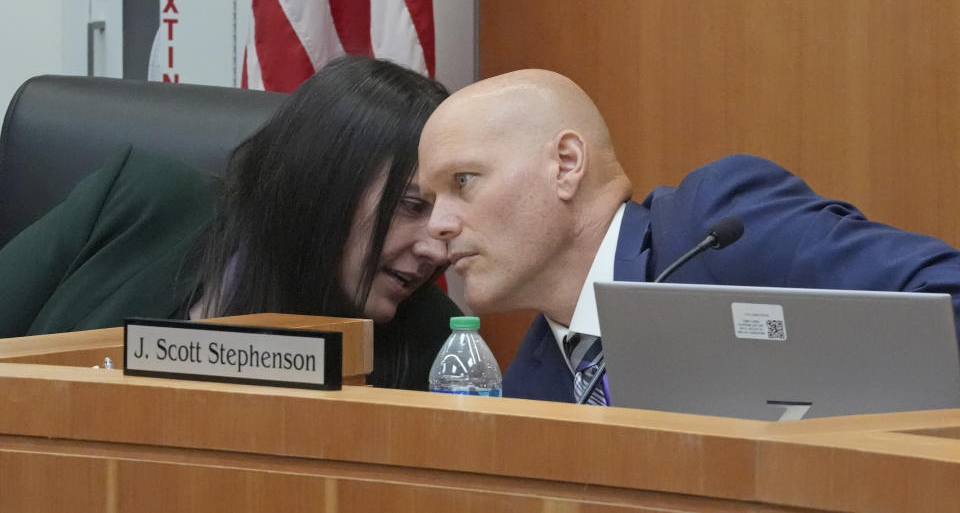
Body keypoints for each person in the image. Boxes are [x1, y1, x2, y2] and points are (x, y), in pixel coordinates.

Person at [417, 68, 960, 404]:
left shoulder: (717, 226)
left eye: (463, 181)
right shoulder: (529, 387)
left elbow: (948, 295)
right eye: (430, 199)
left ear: (565, 164)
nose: (438, 225)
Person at [0, 56, 460, 390]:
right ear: (325, 185)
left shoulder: (437, 341)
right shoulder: (135, 201)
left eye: (445, 217)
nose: (436, 250)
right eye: (412, 206)